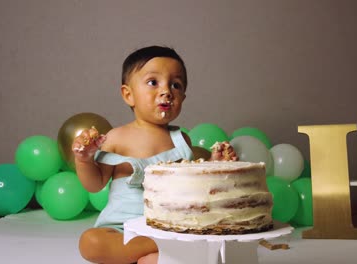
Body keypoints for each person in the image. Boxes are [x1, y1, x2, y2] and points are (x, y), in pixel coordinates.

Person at [72, 46, 237, 264]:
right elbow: (94, 184)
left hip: (168, 225)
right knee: (90, 242)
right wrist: (84, 160)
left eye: (175, 85)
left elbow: (195, 186)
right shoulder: (116, 137)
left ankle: (150, 253)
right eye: (153, 82)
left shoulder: (180, 140)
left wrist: (215, 166)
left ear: (183, 97)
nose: (166, 91)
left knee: (155, 259)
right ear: (128, 94)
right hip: (121, 229)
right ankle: (156, 246)